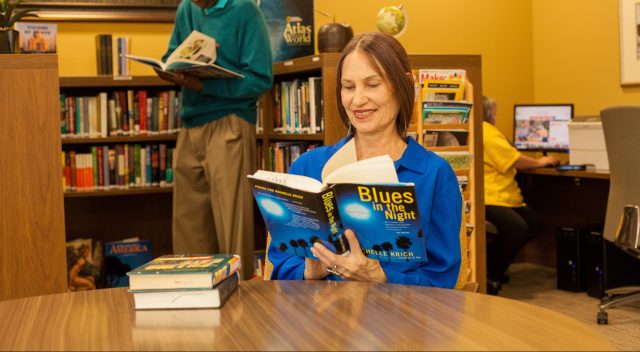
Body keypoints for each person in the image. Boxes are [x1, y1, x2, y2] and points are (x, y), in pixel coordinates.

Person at [268, 32, 462, 288]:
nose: (358, 100)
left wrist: (381, 277)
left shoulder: (435, 175)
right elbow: (279, 266)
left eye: (372, 84)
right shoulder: (308, 167)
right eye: (348, 87)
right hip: (320, 321)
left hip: (400, 324)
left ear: (403, 84)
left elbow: (442, 282)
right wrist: (308, 272)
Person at [155, 0, 273, 280]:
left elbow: (260, 79)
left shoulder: (246, 11)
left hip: (230, 121)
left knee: (232, 224)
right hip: (191, 122)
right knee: (189, 224)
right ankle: (191, 294)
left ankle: (240, 304)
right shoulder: (186, 9)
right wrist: (170, 68)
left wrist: (206, 84)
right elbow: (173, 54)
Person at [482, 96, 558, 294]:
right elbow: (514, 159)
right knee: (517, 229)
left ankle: (492, 265)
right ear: (490, 113)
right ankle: (491, 275)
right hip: (490, 197)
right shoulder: (488, 133)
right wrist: (541, 162)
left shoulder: (485, 132)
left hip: (505, 197)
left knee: (534, 222)